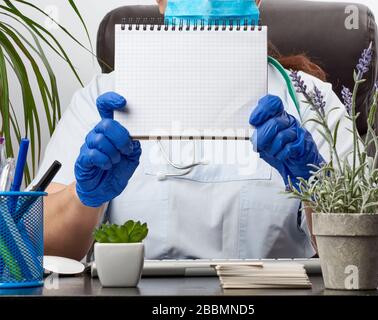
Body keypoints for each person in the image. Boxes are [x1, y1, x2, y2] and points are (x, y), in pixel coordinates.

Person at [33, 0, 353, 261]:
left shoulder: (310, 101)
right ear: (161, 1)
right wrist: (84, 197)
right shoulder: (102, 99)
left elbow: (357, 253)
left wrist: (316, 185)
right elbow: (37, 246)